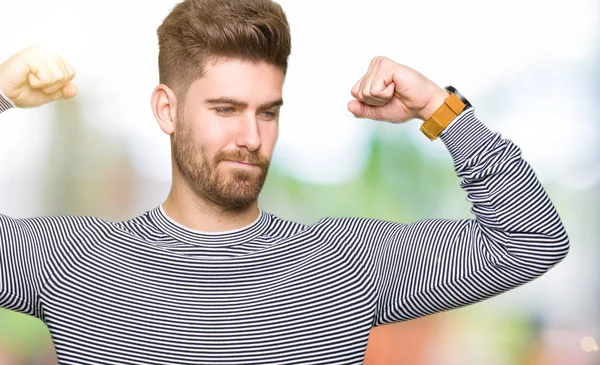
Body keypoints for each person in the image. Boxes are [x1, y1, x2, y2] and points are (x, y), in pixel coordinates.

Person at [0, 0, 569, 363]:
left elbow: (532, 240)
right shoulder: (69, 260)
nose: (252, 135)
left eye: (267, 111)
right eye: (226, 109)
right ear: (166, 110)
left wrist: (440, 109)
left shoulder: (345, 262)